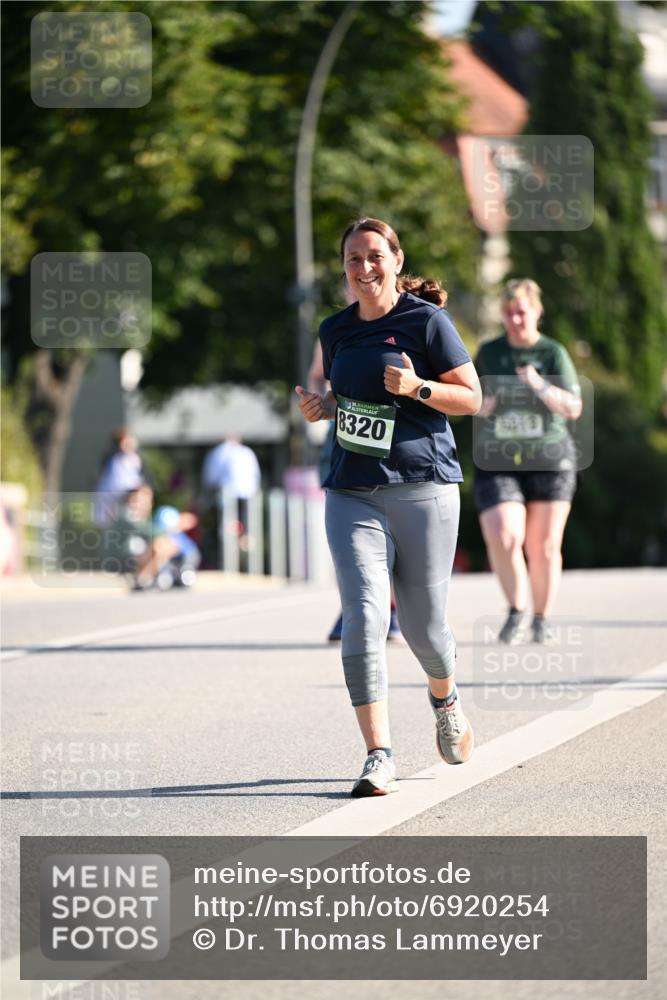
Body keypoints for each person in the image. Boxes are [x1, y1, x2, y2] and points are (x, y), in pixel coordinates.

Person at [295, 217, 481, 797]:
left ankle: (445, 699)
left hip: (424, 487)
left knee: (425, 628)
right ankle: (379, 754)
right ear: (344, 268)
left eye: (375, 255)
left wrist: (418, 388)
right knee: (364, 616)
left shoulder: (426, 322)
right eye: (353, 258)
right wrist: (324, 407)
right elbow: (344, 396)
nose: (364, 267)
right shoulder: (334, 329)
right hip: (351, 490)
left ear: (396, 261)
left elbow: (472, 398)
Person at [472, 278, 583, 644]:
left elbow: (574, 407)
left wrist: (540, 385)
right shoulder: (489, 353)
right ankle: (517, 609)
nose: (515, 319)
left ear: (536, 311)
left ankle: (541, 618)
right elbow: (470, 400)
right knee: (504, 534)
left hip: (549, 458)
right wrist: (481, 405)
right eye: (508, 313)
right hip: (498, 458)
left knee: (544, 545)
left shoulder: (552, 353)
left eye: (521, 311)